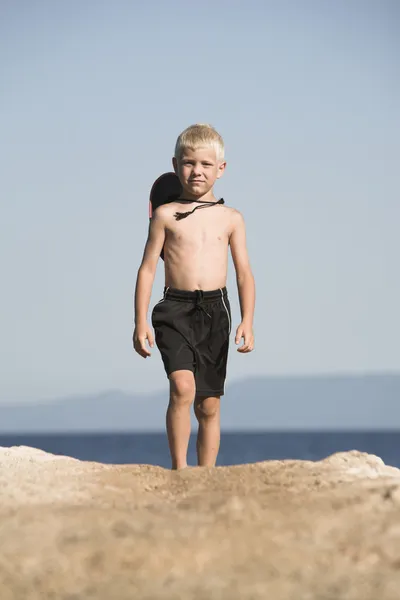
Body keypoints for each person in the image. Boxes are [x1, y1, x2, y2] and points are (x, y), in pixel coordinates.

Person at [133, 124, 255, 469]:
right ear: (176, 165)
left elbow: (244, 272)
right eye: (188, 163)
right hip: (174, 308)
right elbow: (146, 269)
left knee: (209, 405)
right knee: (183, 387)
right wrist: (140, 321)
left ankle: (206, 477)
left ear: (221, 168)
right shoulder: (165, 216)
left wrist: (248, 319)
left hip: (216, 309)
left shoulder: (232, 219)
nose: (196, 171)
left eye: (205, 164)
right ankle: (180, 471)